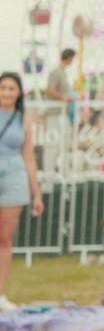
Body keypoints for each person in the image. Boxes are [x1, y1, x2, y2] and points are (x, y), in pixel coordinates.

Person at [0, 71, 44, 311]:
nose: (6, 92)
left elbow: (29, 158)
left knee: (5, 238)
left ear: (18, 93)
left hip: (14, 176)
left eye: (11, 88)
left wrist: (36, 192)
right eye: (3, 87)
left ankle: (1, 294)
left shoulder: (23, 118)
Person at [42, 47, 76, 171]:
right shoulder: (56, 72)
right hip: (54, 114)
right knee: (52, 145)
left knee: (64, 143)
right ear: (69, 58)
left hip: (62, 114)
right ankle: (48, 179)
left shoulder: (63, 72)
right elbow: (49, 90)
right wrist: (63, 97)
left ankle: (65, 173)